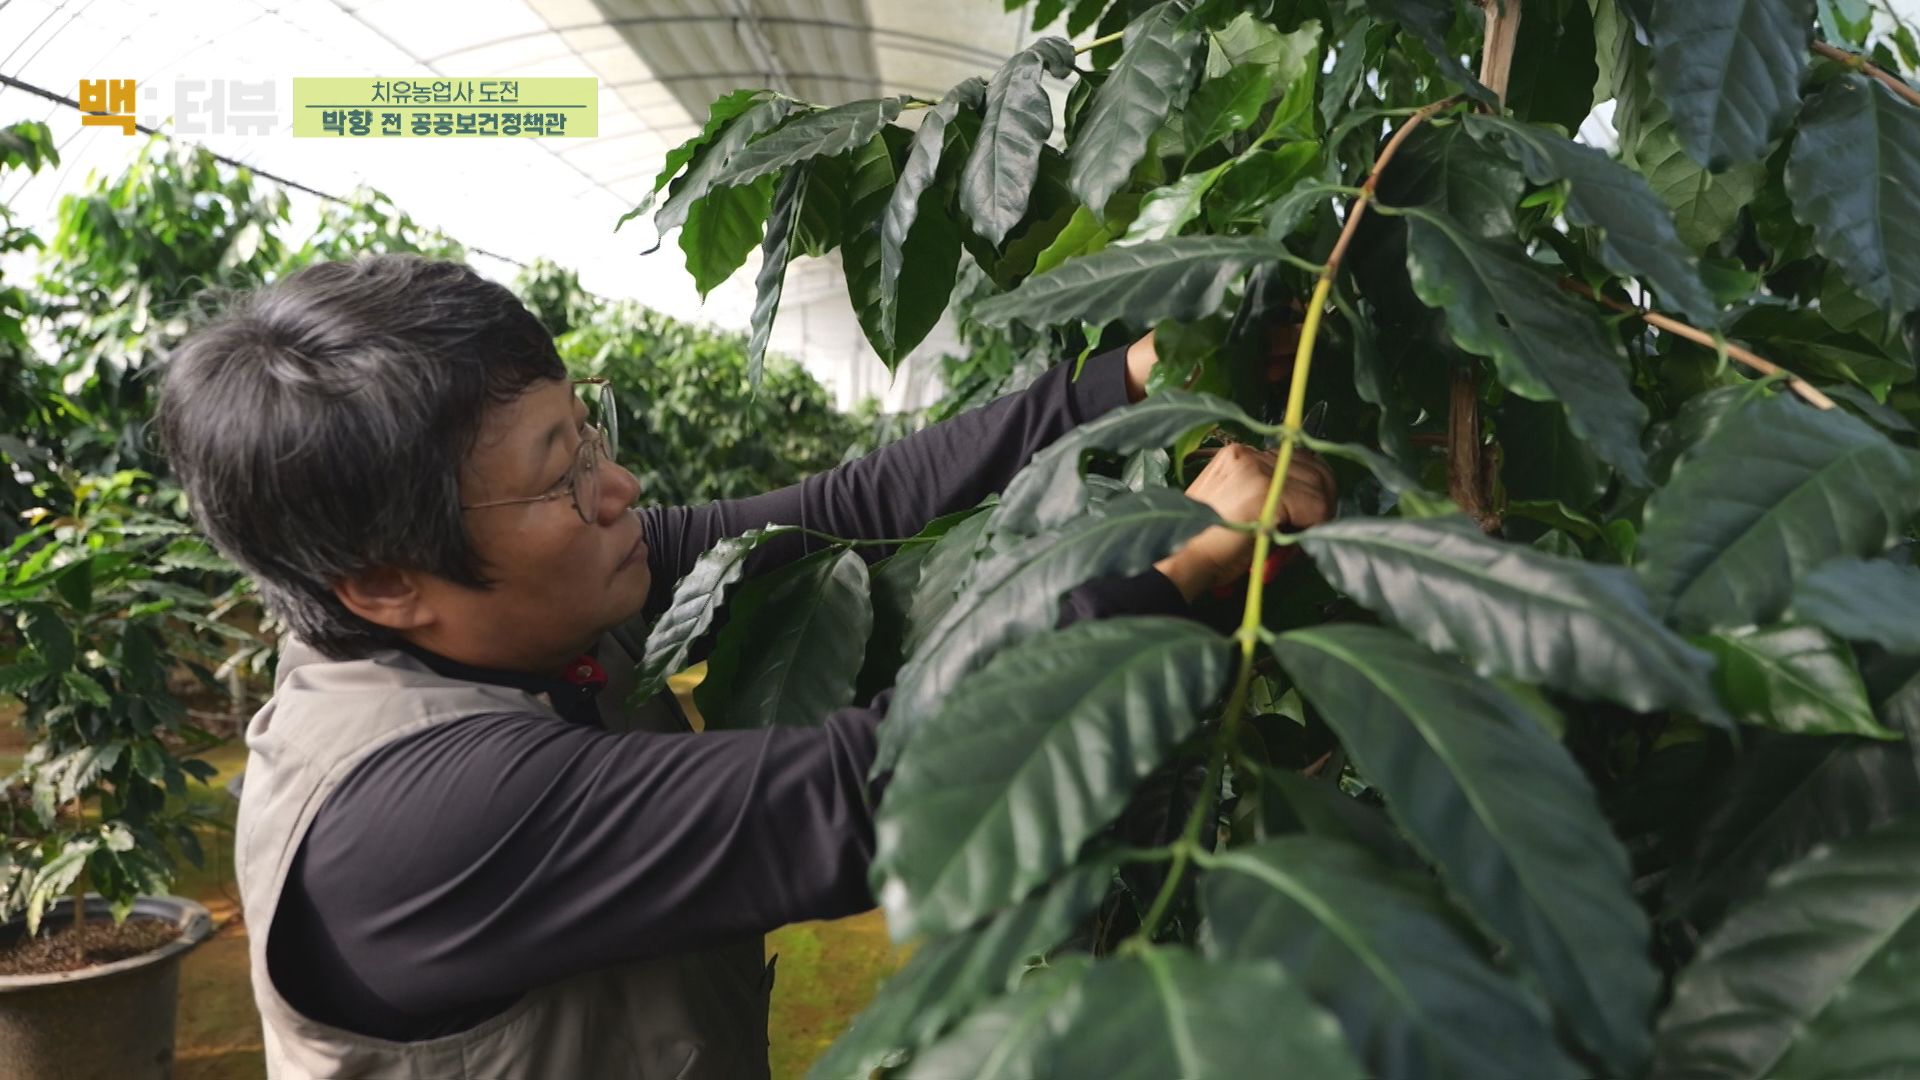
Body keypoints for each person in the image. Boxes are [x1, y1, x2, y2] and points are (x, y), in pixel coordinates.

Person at [156, 253, 1336, 1078]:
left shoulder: (522, 605)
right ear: (383, 579)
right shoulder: (415, 819)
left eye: (590, 432)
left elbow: (839, 512)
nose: (617, 491)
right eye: (559, 474)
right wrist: (1174, 566)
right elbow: (865, 795)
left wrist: (1127, 371)